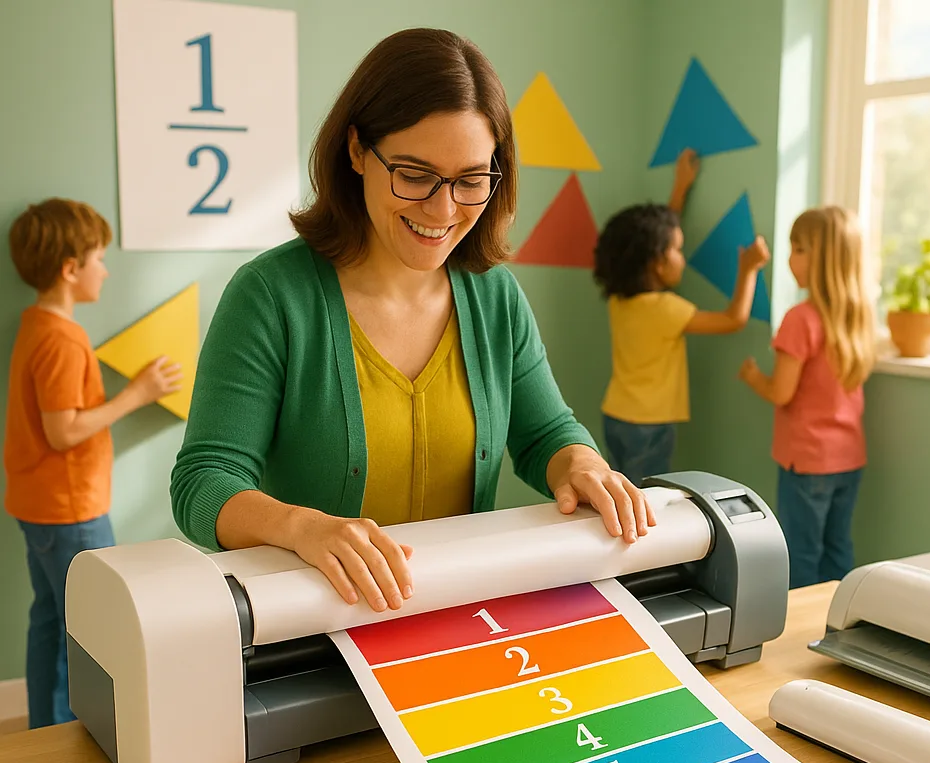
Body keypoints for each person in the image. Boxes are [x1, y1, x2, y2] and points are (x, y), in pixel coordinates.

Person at [171, 28, 652, 615]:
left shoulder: (494, 295)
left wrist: (580, 461)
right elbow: (204, 481)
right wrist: (302, 529)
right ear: (355, 151)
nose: (442, 211)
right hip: (313, 635)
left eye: (471, 180)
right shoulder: (270, 296)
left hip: (462, 622)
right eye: (415, 174)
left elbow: (545, 433)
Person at [4, 199, 181, 728]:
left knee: (49, 620)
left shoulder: (34, 324)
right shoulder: (62, 338)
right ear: (70, 269)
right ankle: (63, 734)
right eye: (99, 258)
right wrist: (138, 394)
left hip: (38, 503)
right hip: (70, 510)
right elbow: (64, 431)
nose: (105, 269)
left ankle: (44, 725)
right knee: (81, 626)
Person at [594, 153, 771, 485]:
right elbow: (733, 319)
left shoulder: (621, 299)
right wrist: (748, 269)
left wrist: (679, 190)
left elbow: (655, 238)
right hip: (649, 425)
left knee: (624, 491)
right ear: (656, 263)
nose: (682, 257)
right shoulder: (665, 309)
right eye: (677, 250)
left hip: (617, 414)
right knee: (647, 501)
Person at [739, 206, 875, 588]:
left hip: (808, 461)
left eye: (798, 248)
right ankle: (840, 627)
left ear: (825, 258)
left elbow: (781, 392)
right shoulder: (858, 317)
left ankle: (800, 634)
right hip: (849, 459)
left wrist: (752, 377)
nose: (789, 258)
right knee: (837, 550)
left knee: (800, 553)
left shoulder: (801, 318)